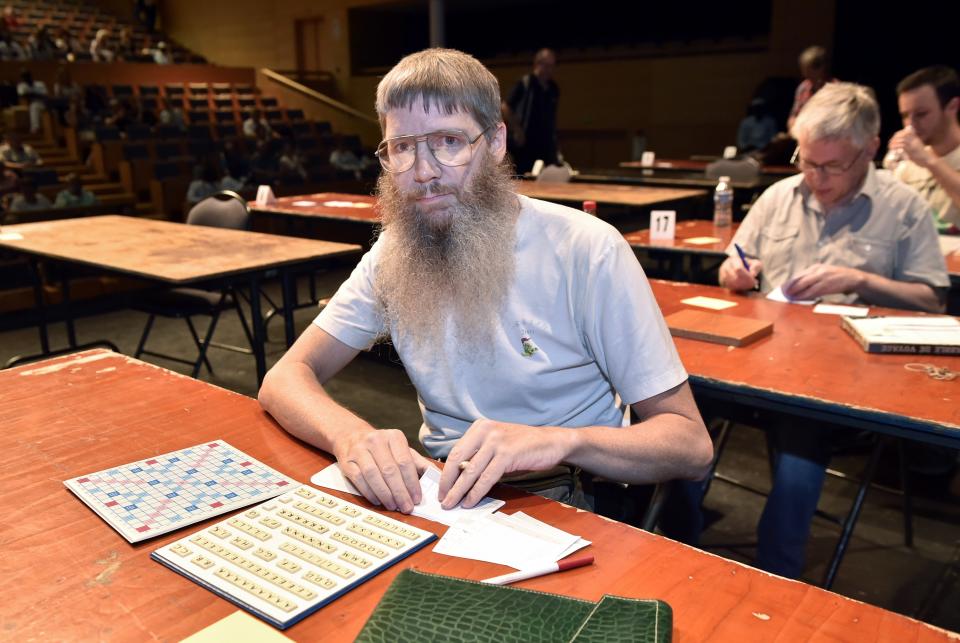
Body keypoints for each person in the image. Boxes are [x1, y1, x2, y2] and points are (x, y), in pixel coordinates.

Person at [258, 48, 712, 516]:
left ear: (495, 143)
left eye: (449, 141)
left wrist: (559, 442)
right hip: (445, 494)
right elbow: (283, 379)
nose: (424, 171)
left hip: (574, 493)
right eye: (402, 147)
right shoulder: (395, 252)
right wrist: (351, 436)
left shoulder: (587, 249)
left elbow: (690, 446)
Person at [716, 82, 948, 578]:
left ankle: (777, 579)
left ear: (870, 148)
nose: (816, 178)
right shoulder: (779, 196)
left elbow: (933, 299)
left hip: (844, 381)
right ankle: (679, 544)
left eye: (832, 166)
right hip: (763, 362)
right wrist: (734, 275)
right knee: (686, 416)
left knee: (801, 439)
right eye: (807, 161)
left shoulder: (902, 207)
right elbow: (731, 265)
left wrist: (860, 281)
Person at [887, 66, 960, 233]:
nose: (910, 125)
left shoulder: (922, 157)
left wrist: (930, 162)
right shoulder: (908, 162)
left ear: (952, 106)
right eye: (905, 115)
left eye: (921, 114)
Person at [502, 48, 560, 174]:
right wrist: (517, 130)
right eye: (545, 65)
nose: (549, 70)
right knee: (525, 177)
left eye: (552, 66)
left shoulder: (553, 89)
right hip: (526, 143)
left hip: (545, 144)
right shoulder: (525, 83)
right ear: (537, 64)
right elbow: (505, 107)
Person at [787, 46, 833, 132]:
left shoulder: (837, 90)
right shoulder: (803, 87)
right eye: (804, 71)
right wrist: (792, 125)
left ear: (823, 68)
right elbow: (794, 115)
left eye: (810, 71)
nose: (805, 75)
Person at [17, 69, 47, 134]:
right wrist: (34, 95)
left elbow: (44, 95)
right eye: (24, 76)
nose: (25, 78)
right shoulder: (21, 86)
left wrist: (32, 95)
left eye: (27, 76)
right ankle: (35, 128)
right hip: (30, 104)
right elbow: (23, 96)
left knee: (37, 106)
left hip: (43, 103)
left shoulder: (40, 84)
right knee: (34, 106)